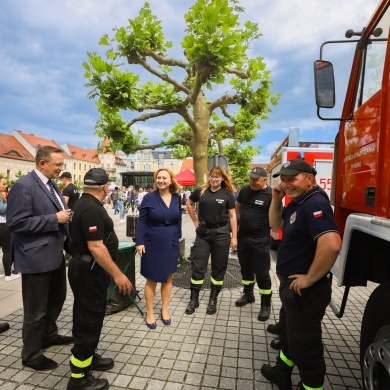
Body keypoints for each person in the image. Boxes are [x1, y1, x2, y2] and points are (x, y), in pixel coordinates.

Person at [261, 159, 341, 390]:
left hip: (305, 291)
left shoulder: (313, 203)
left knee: (306, 348)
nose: (286, 184)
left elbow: (332, 244)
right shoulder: (298, 201)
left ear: (309, 178)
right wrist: (277, 198)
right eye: (283, 180)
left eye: (292, 179)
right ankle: (281, 373)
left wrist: (310, 278)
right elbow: (275, 224)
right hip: (292, 289)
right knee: (289, 335)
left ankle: (312, 387)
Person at [7, 145, 73, 371]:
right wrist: (53, 219)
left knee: (56, 300)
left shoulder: (51, 184)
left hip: (54, 256)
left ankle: (49, 335)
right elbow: (15, 223)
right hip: (36, 258)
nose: (61, 169)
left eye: (62, 165)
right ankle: (31, 353)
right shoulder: (23, 186)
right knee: (35, 311)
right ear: (42, 163)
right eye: (57, 165)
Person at [67, 168, 133, 390]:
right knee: (87, 323)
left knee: (90, 319)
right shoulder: (91, 209)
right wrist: (118, 274)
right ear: (105, 187)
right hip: (89, 271)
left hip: (87, 270)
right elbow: (96, 246)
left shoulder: (83, 203)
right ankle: (78, 378)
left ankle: (89, 358)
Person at [185, 166, 237, 316]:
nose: (214, 179)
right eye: (212, 176)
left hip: (221, 234)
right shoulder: (201, 191)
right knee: (198, 267)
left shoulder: (228, 194)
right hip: (203, 234)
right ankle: (193, 299)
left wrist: (234, 237)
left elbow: (233, 216)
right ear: (209, 177)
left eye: (217, 177)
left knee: (218, 268)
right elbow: (189, 204)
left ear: (222, 179)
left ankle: (213, 299)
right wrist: (195, 221)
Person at [136, 168, 182, 329]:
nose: (161, 180)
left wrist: (178, 236)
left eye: (164, 178)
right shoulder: (149, 197)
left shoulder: (177, 198)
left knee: (168, 277)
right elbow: (141, 221)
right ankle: (150, 312)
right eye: (158, 178)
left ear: (171, 180)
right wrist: (139, 242)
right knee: (152, 278)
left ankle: (164, 309)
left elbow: (178, 220)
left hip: (171, 242)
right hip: (152, 242)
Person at [235, 167, 273, 321]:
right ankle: (248, 295)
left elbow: (275, 216)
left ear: (264, 179)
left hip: (260, 240)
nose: (252, 181)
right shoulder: (245, 190)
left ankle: (265, 304)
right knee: (245, 269)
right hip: (243, 238)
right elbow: (239, 206)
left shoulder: (270, 194)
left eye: (256, 179)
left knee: (262, 272)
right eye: (251, 178)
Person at [0, 175, 19, 282]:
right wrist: (10, 201)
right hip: (3, 225)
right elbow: (2, 210)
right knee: (7, 250)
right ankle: (8, 274)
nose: (6, 186)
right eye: (3, 183)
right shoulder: (1, 196)